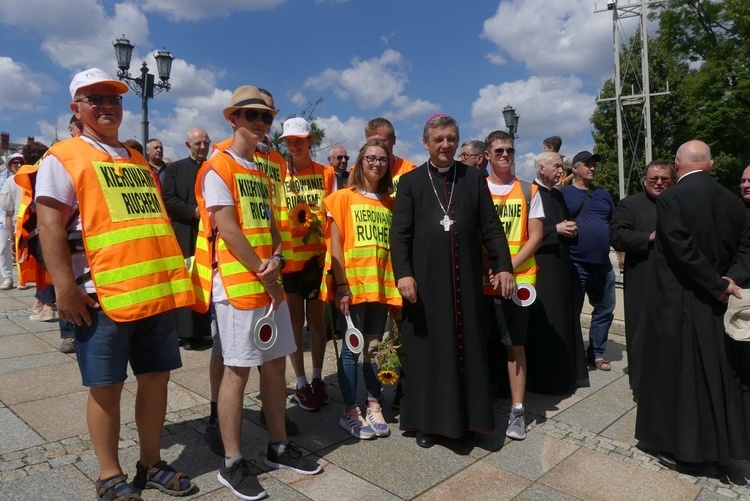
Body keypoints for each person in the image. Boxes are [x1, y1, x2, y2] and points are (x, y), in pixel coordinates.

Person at [36, 67, 196, 500]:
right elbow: (48, 226)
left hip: (151, 292)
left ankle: (151, 462)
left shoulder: (135, 157)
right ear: (77, 108)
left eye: (114, 98)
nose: (107, 106)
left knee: (155, 379)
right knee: (106, 389)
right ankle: (109, 475)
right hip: (99, 294)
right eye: (95, 99)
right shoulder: (63, 156)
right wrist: (64, 289)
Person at [191, 85, 321, 500]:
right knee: (237, 370)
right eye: (252, 116)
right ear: (233, 119)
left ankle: (278, 446)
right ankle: (232, 462)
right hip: (238, 286)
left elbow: (273, 225)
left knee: (275, 366)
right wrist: (262, 271)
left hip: (270, 284)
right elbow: (226, 228)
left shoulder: (263, 169)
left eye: (266, 117)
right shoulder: (218, 167)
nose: (261, 123)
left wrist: (278, 260)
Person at [390, 114, 514, 448]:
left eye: (451, 138)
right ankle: (428, 425)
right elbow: (399, 234)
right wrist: (403, 273)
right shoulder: (412, 182)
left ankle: (471, 421)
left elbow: (490, 226)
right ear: (426, 143)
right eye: (439, 139)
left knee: (469, 349)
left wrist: (503, 266)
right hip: (426, 285)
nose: (445, 144)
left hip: (467, 285)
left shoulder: (473, 180)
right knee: (429, 352)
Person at [635, 140, 750, 473]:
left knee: (680, 378)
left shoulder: (671, 198)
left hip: (680, 301)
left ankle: (682, 449)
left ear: (677, 164)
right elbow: (746, 249)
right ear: (710, 165)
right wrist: (727, 281)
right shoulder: (733, 201)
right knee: (718, 374)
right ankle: (723, 446)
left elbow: (680, 248)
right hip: (721, 302)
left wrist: (715, 285)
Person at [324, 138, 402, 439]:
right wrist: (341, 286)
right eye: (371, 158)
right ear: (361, 161)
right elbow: (336, 244)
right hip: (353, 288)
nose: (376, 163)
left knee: (373, 349)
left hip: (380, 286)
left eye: (382, 159)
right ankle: (349, 410)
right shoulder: (342, 198)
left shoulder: (391, 203)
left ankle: (373, 404)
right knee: (350, 350)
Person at [482, 131, 544, 441]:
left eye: (509, 150)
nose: (505, 154)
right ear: (488, 155)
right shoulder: (477, 188)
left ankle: (517, 410)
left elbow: (535, 236)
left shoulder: (529, 191)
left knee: (514, 345)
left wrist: (507, 266)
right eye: (499, 150)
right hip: (482, 279)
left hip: (518, 281)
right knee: (478, 344)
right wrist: (491, 268)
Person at [281, 117, 335, 412]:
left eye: (299, 139)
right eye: (289, 140)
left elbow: (332, 214)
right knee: (293, 325)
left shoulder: (326, 174)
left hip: (316, 261)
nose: (294, 145)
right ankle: (300, 381)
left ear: (310, 140)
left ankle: (316, 377)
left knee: (316, 324)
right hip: (290, 263)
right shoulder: (278, 174)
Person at [609, 160, 673, 399]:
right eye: (654, 178)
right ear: (644, 180)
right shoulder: (630, 204)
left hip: (674, 278)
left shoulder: (679, 202)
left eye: (664, 179)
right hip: (642, 278)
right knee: (641, 333)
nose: (658, 183)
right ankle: (641, 384)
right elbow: (617, 235)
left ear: (672, 180)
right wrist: (648, 237)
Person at [525, 152, 588, 394]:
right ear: (541, 168)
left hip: (562, 265)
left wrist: (571, 230)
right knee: (547, 322)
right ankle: (544, 381)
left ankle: (566, 375)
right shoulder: (529, 194)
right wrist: (556, 229)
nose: (562, 170)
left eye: (562, 166)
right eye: (557, 166)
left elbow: (564, 223)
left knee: (565, 319)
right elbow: (527, 234)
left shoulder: (558, 195)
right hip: (541, 268)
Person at [560, 151, 616, 371]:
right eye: (587, 164)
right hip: (575, 263)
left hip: (602, 264)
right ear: (575, 169)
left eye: (594, 165)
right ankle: (570, 355)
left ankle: (596, 353)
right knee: (572, 311)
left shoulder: (603, 194)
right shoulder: (563, 194)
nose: (592, 168)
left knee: (604, 309)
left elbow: (613, 223)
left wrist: (622, 251)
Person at [162, 127, 213, 351]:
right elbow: (168, 199)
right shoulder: (175, 169)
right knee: (188, 277)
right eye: (198, 144)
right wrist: (193, 211)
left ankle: (204, 330)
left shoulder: (214, 168)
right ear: (188, 145)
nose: (202, 147)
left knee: (205, 279)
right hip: (186, 231)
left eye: (205, 143)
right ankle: (186, 333)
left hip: (209, 233)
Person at [364, 117, 416, 195]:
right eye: (371, 142)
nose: (376, 146)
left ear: (393, 140)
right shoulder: (357, 172)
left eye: (380, 141)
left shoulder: (410, 171)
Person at [0, 153, 23, 290]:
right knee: (3, 247)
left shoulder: (28, 176)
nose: (19, 165)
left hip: (20, 216)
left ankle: (22, 277)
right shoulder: (5, 178)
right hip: (4, 216)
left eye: (21, 162)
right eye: (15, 163)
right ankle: (7, 277)